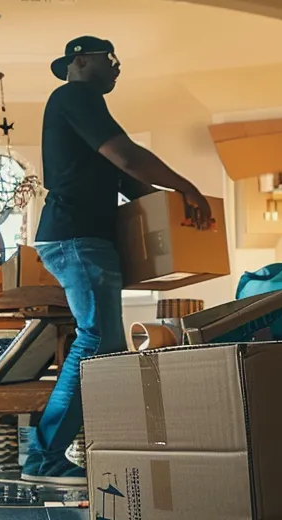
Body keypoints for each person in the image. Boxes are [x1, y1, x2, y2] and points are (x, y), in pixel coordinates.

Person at [22, 36, 213, 485]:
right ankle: (45, 457)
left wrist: (173, 212)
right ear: (81, 60)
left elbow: (127, 179)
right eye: (111, 60)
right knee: (97, 341)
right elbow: (127, 156)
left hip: (81, 237)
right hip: (77, 237)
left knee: (105, 344)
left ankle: (75, 448)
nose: (117, 68)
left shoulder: (89, 111)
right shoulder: (74, 95)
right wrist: (186, 187)